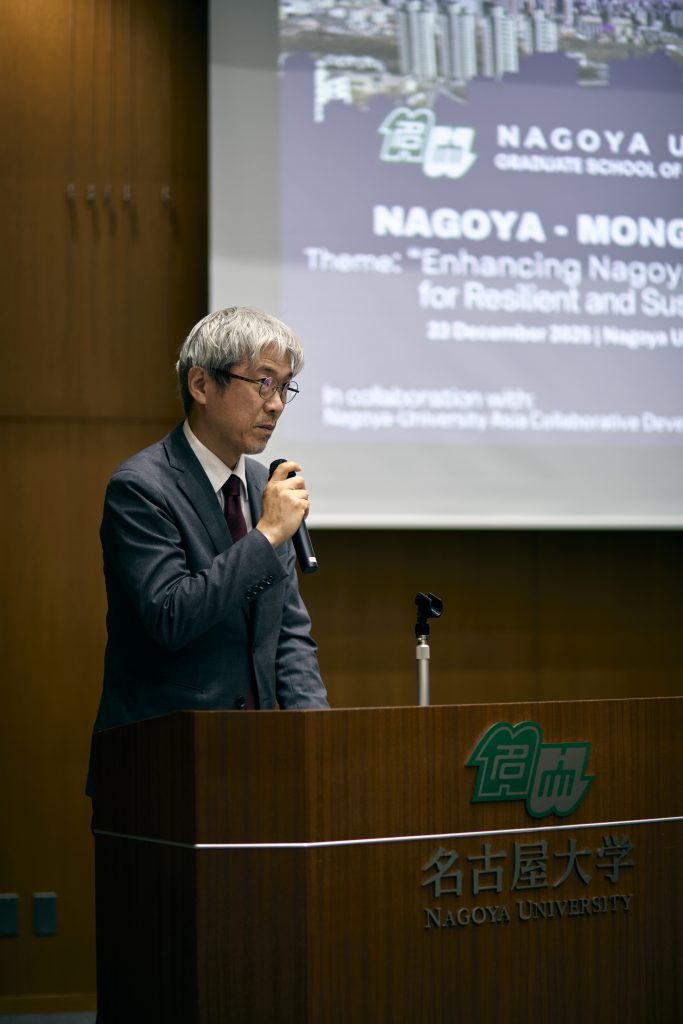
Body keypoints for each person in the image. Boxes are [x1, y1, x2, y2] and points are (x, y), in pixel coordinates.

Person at [87, 307, 329, 791]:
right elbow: (171, 615)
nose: (277, 404)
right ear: (201, 385)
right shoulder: (141, 487)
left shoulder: (264, 487)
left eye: (285, 386)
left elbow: (288, 635)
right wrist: (265, 537)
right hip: (162, 770)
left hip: (259, 765)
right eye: (263, 382)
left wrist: (321, 738)